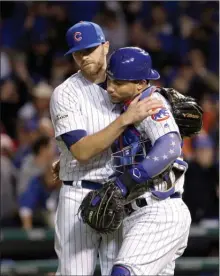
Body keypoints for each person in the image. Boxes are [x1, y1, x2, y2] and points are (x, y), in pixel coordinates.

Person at [49, 21, 163, 276]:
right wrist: (125, 119)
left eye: (89, 49)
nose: (84, 57)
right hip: (79, 193)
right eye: (77, 52)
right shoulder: (66, 93)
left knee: (121, 271)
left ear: (106, 46)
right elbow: (81, 151)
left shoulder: (130, 83)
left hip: (120, 194)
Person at [101, 47, 192, 275]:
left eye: (120, 83)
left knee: (123, 272)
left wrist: (128, 181)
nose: (111, 87)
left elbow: (170, 147)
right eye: (110, 80)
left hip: (158, 209)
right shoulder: (123, 107)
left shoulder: (150, 102)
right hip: (137, 213)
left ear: (141, 83)